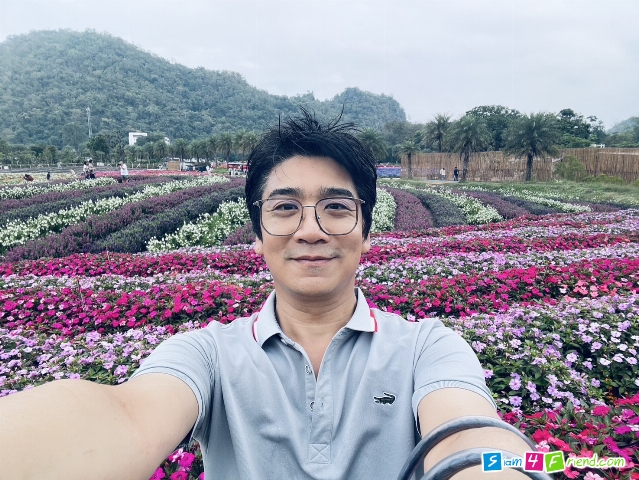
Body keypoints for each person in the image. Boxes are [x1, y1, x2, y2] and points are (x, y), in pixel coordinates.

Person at [0, 111, 530, 479]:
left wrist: (519, 464)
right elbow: (127, 415)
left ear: (367, 230)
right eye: (284, 208)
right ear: (257, 235)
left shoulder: (426, 348)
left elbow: (470, 439)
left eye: (337, 208)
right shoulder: (208, 355)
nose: (310, 230)